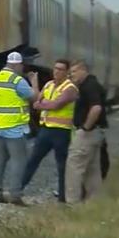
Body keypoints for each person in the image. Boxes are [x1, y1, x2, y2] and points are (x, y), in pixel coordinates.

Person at [0, 52, 39, 206]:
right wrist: (34, 82)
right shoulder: (18, 81)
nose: (22, 68)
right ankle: (15, 195)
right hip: (15, 128)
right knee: (18, 161)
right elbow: (34, 97)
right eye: (21, 65)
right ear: (16, 65)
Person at [24, 58, 77, 202]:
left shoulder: (70, 88)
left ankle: (63, 196)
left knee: (62, 165)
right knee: (33, 159)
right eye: (55, 68)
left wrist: (44, 104)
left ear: (66, 72)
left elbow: (56, 105)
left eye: (60, 69)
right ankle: (18, 189)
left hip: (62, 132)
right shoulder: (48, 85)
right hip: (46, 130)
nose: (56, 72)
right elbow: (36, 102)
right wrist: (35, 85)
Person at [64, 59, 108, 204]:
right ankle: (93, 201)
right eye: (71, 73)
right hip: (97, 133)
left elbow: (96, 108)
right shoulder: (90, 84)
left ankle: (72, 202)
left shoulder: (89, 86)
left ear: (84, 70)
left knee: (74, 166)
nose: (72, 75)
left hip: (88, 133)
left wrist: (85, 127)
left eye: (75, 72)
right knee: (92, 169)